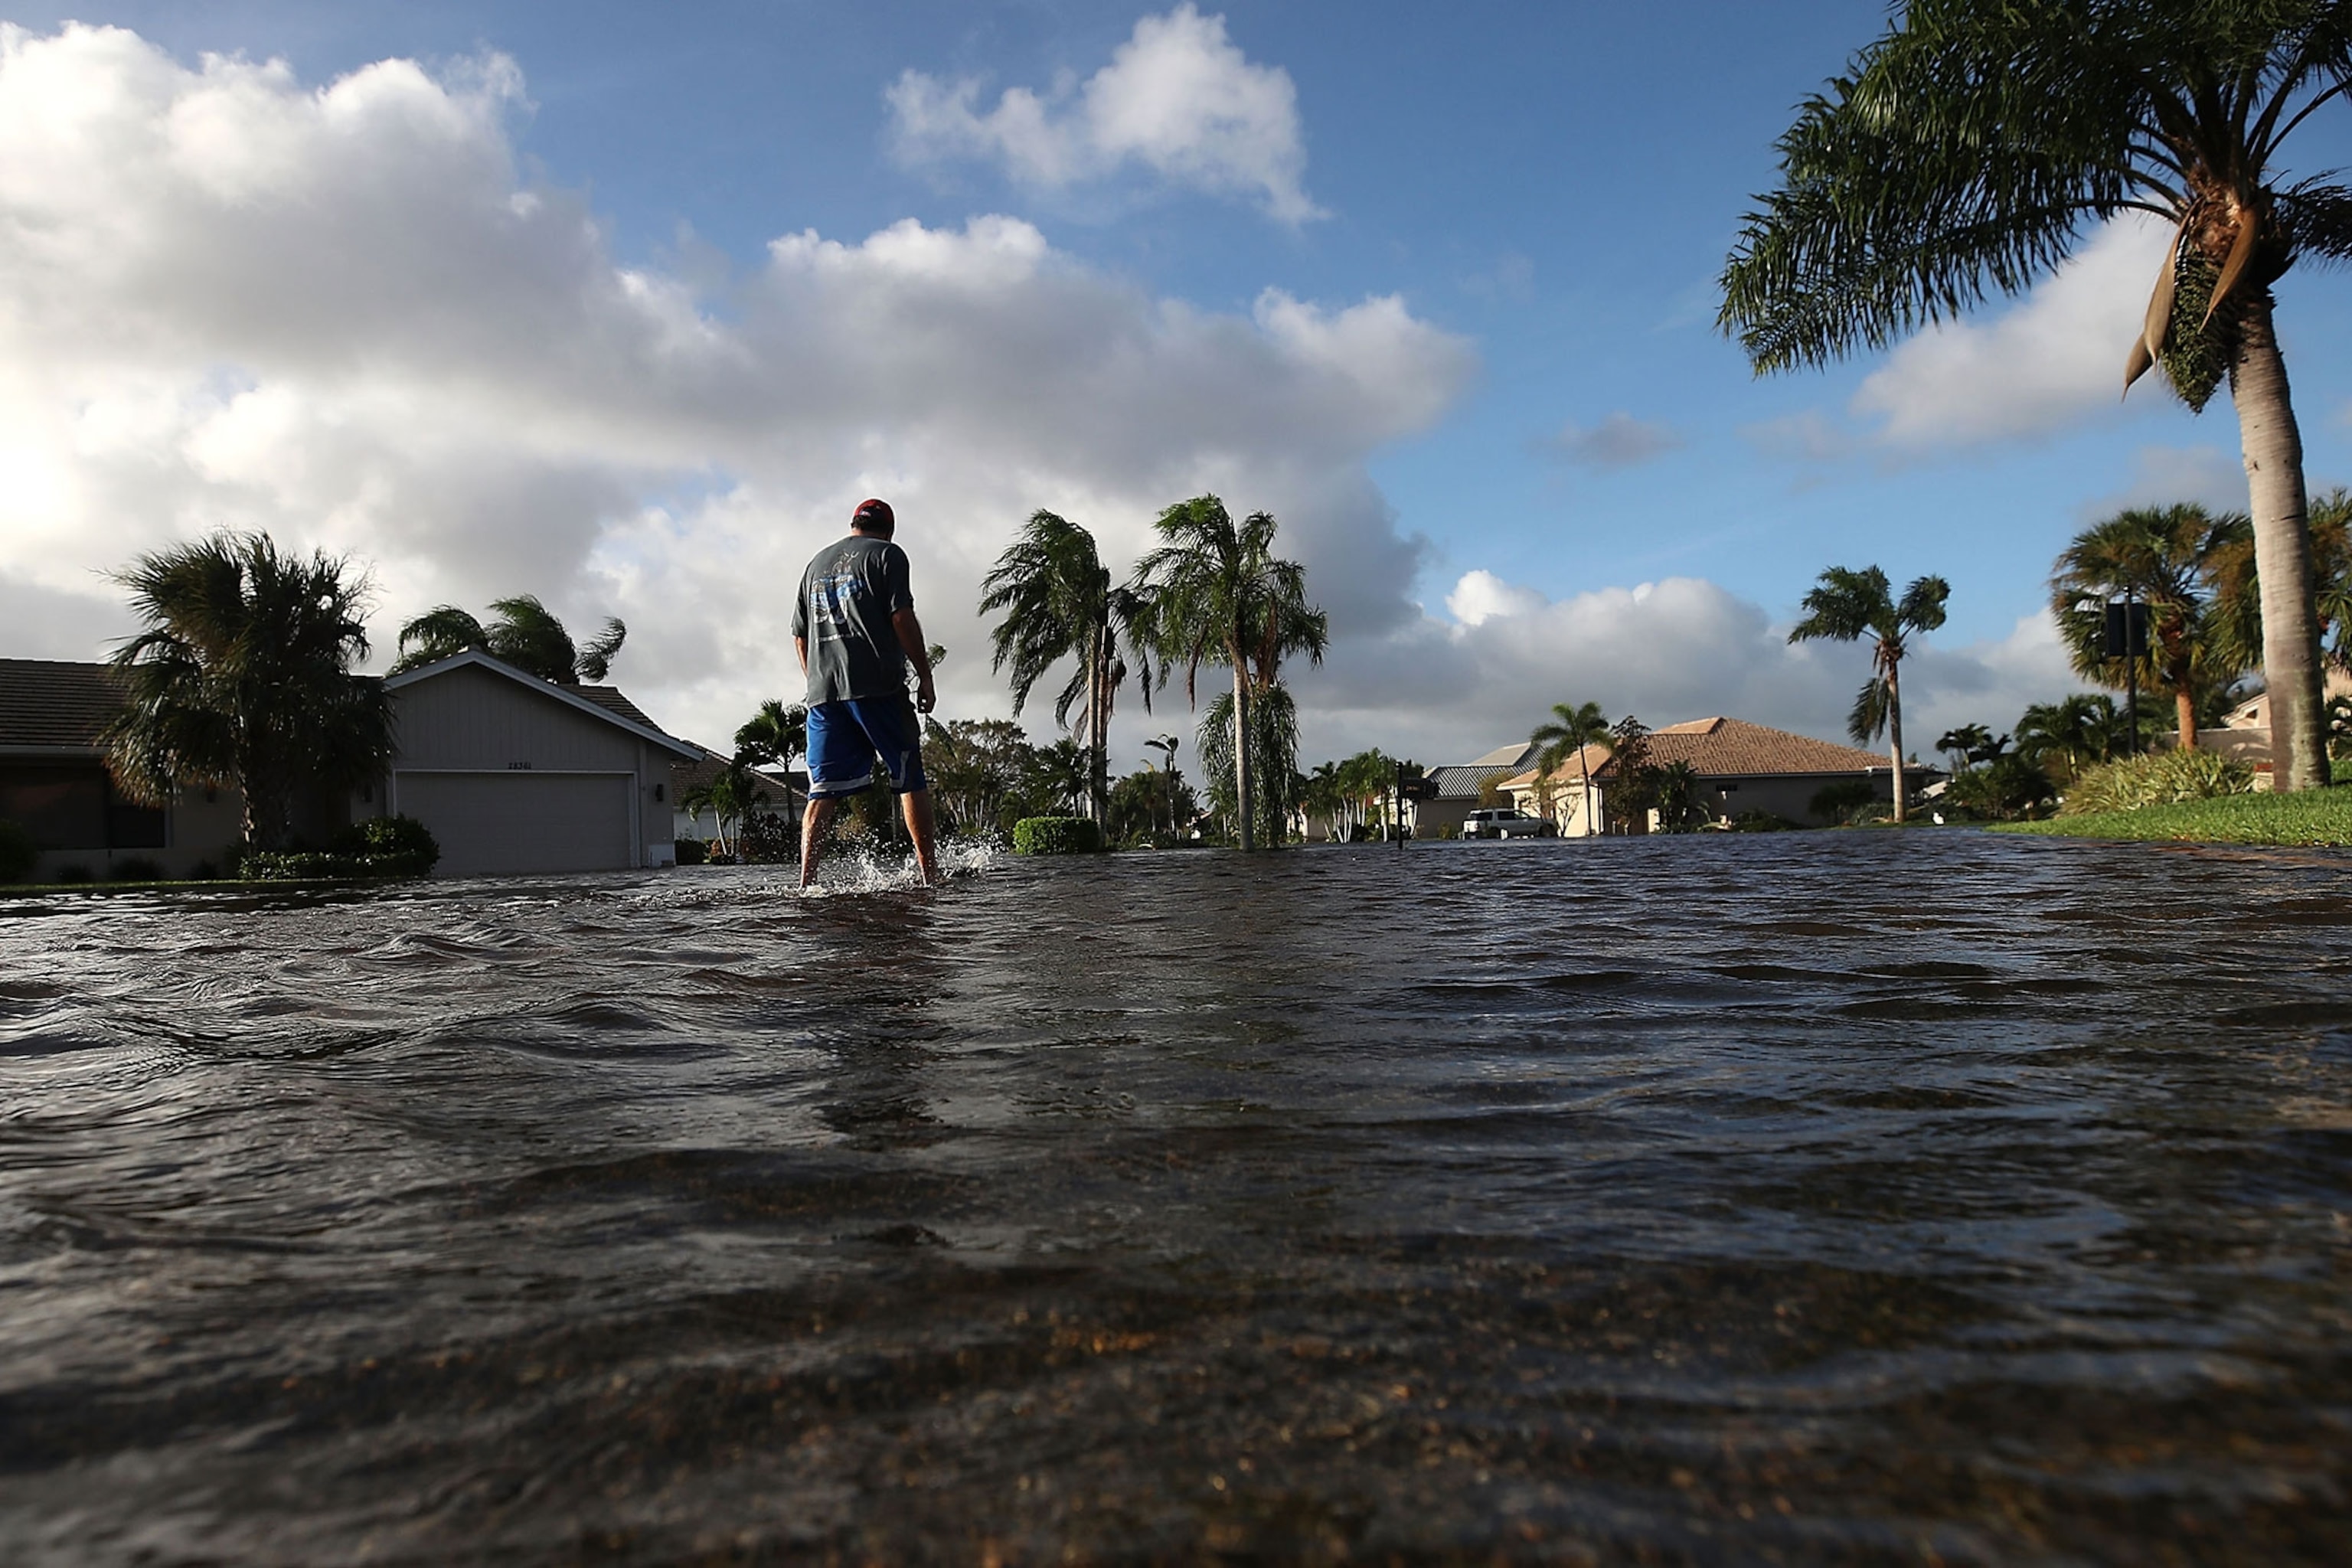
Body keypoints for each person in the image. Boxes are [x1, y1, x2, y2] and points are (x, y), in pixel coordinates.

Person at [792, 498, 941, 886]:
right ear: (888, 530)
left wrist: (815, 678)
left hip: (823, 694)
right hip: (877, 686)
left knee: (820, 792)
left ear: (853, 525)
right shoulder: (889, 556)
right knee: (910, 777)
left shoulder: (816, 564)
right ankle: (930, 875)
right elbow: (901, 616)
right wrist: (925, 676)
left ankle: (807, 883)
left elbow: (800, 634)